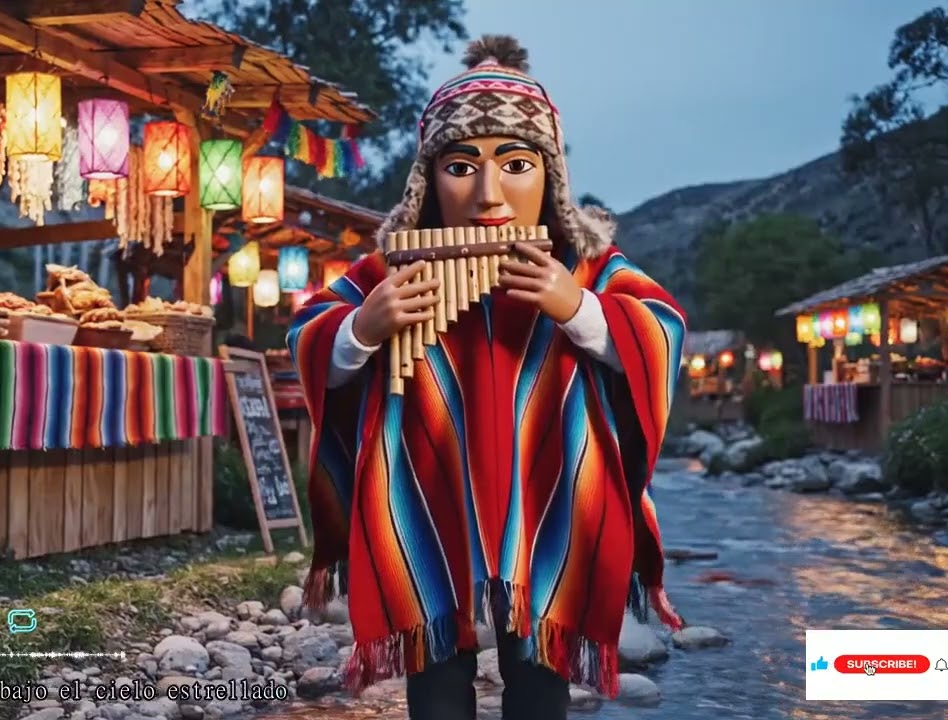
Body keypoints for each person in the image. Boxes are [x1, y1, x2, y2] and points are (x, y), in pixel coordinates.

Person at [286, 35, 688, 720]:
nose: (489, 191)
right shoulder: (392, 271)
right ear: (429, 181)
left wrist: (580, 310)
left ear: (550, 176)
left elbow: (663, 329)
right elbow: (307, 336)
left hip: (546, 500)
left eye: (517, 163)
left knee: (538, 686)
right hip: (427, 499)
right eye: (462, 165)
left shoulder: (584, 265)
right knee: (437, 686)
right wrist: (363, 328)